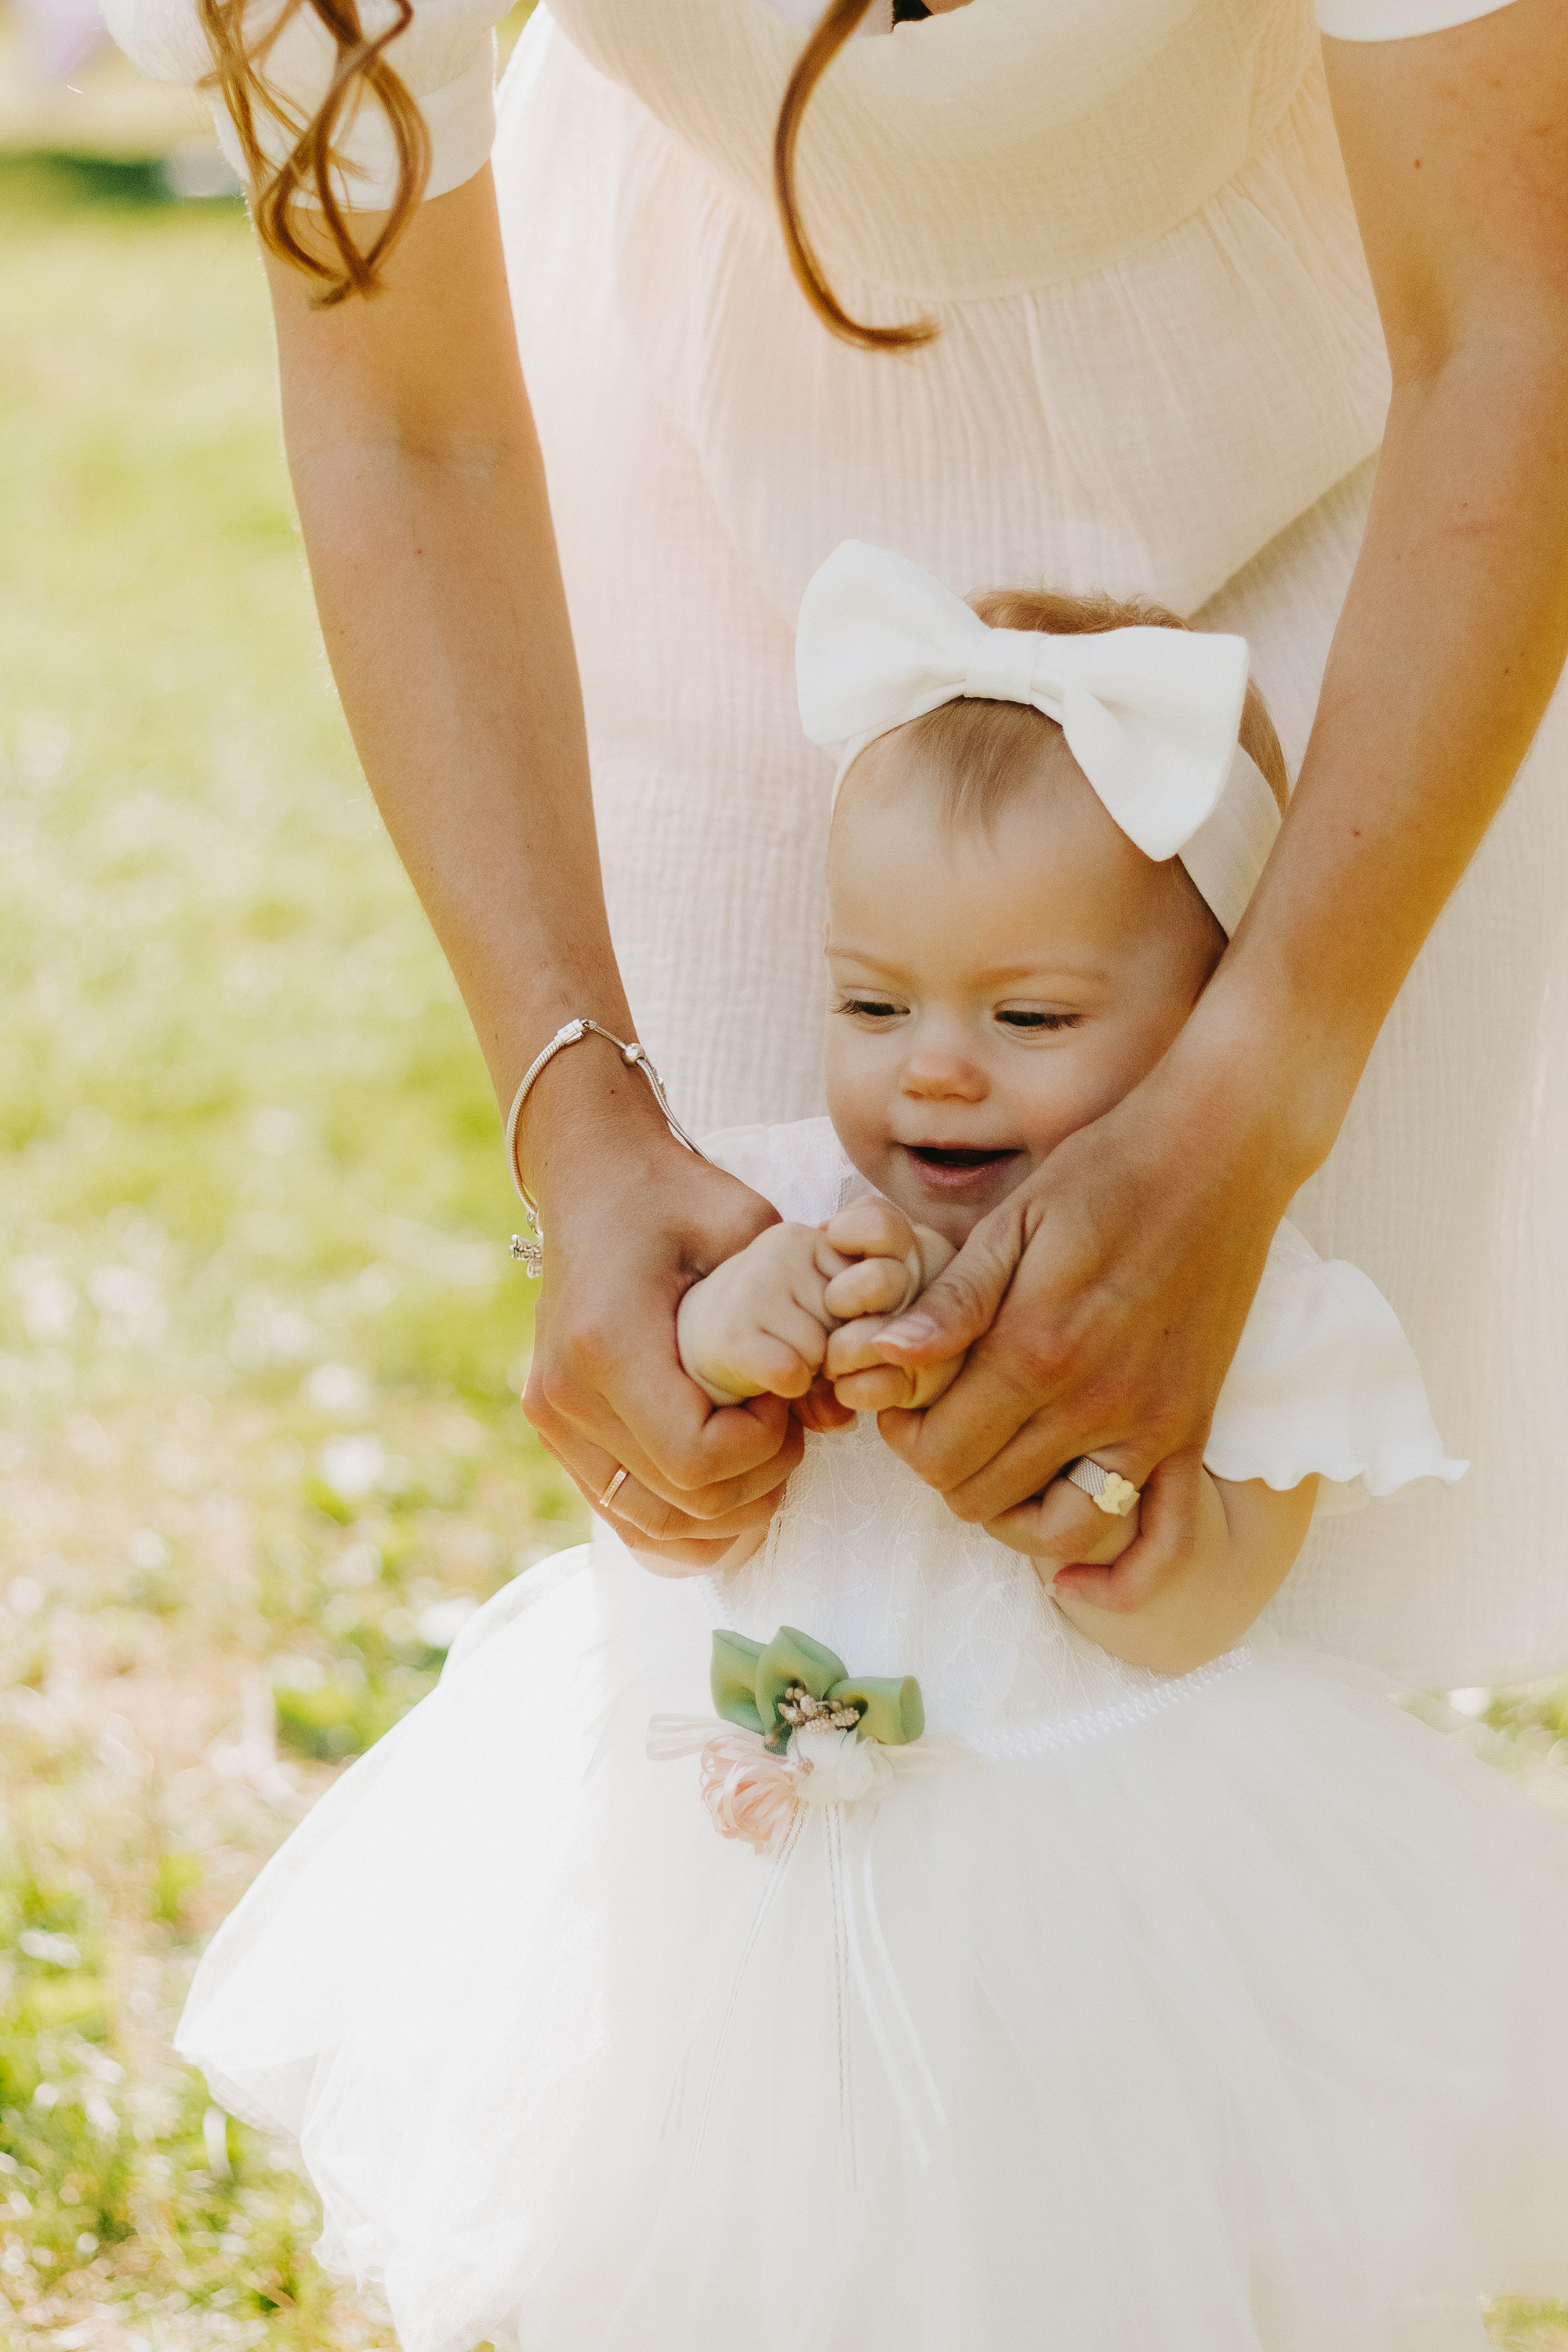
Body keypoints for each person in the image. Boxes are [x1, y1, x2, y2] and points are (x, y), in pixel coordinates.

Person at [175, 553, 1568, 2351]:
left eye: (1031, 1019)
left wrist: (1116, 1525)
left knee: (1082, 2265)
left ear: (1211, 1015)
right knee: (734, 2240)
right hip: (734, 1891)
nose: (935, 1075)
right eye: (873, 1005)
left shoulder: (1246, 1300)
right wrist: (752, 1333)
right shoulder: (785, 1209)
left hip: (1086, 1923)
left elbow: (1206, 1602)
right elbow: (682, 1495)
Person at [98, 0, 1568, 1688]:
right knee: (780, 1561)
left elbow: (1502, 324)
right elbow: (400, 417)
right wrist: (570, 1116)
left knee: (1250, 1583)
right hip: (715, 432)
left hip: (1365, 411)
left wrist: (1256, 1096)